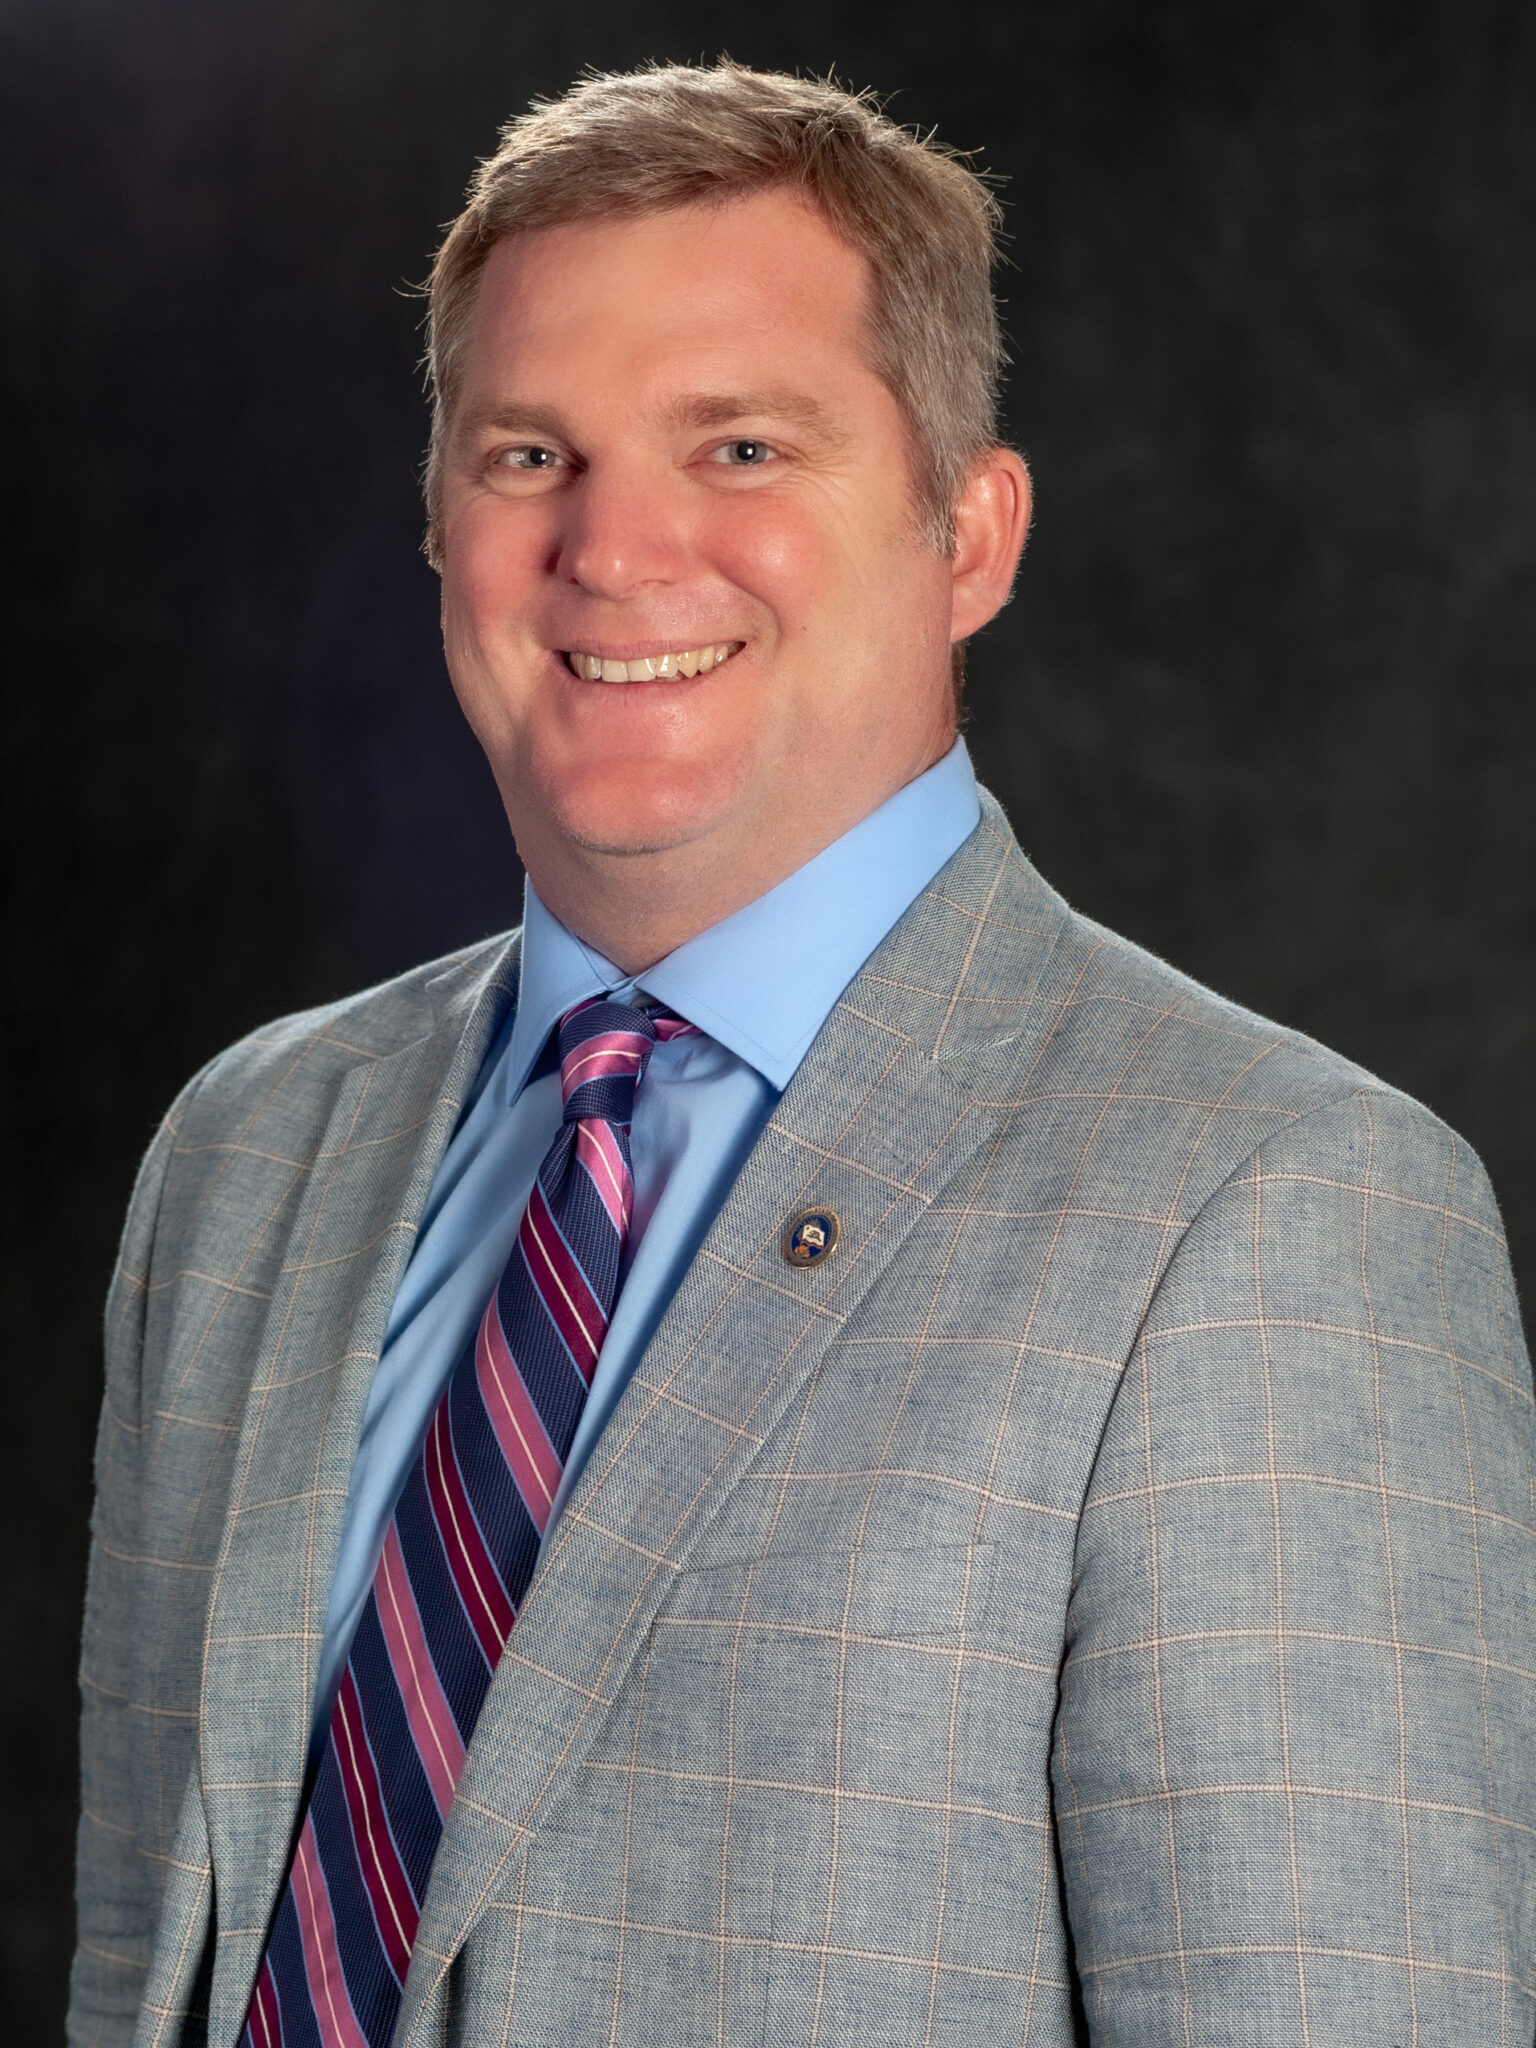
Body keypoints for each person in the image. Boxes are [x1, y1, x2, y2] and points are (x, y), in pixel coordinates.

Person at [71, 61, 1534, 2048]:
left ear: (973, 534)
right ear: (437, 523)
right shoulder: (247, 1158)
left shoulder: (1273, 1216)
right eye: (529, 454)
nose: (615, 547)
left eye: (742, 445)